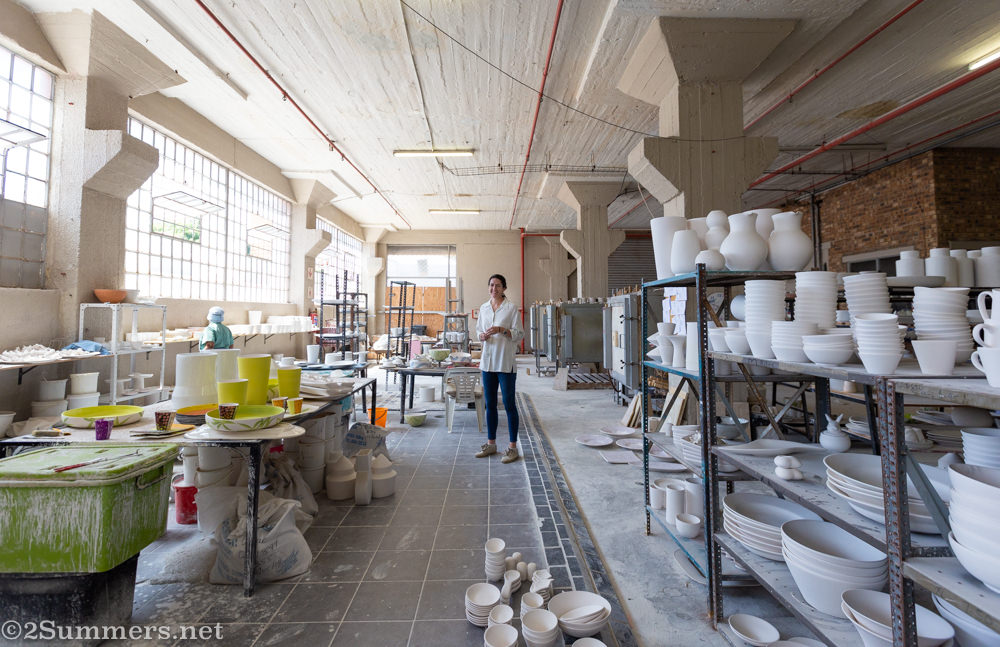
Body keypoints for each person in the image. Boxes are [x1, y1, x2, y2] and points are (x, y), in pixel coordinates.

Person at [474, 274, 524, 463]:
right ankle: (491, 444)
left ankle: (512, 447)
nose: (494, 288)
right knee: (490, 404)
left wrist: (501, 330)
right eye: (491, 285)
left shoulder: (511, 309)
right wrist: (482, 336)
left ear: (504, 288)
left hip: (505, 363)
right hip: (487, 363)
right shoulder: (484, 308)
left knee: (510, 405)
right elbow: (479, 330)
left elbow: (519, 334)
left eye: (498, 285)